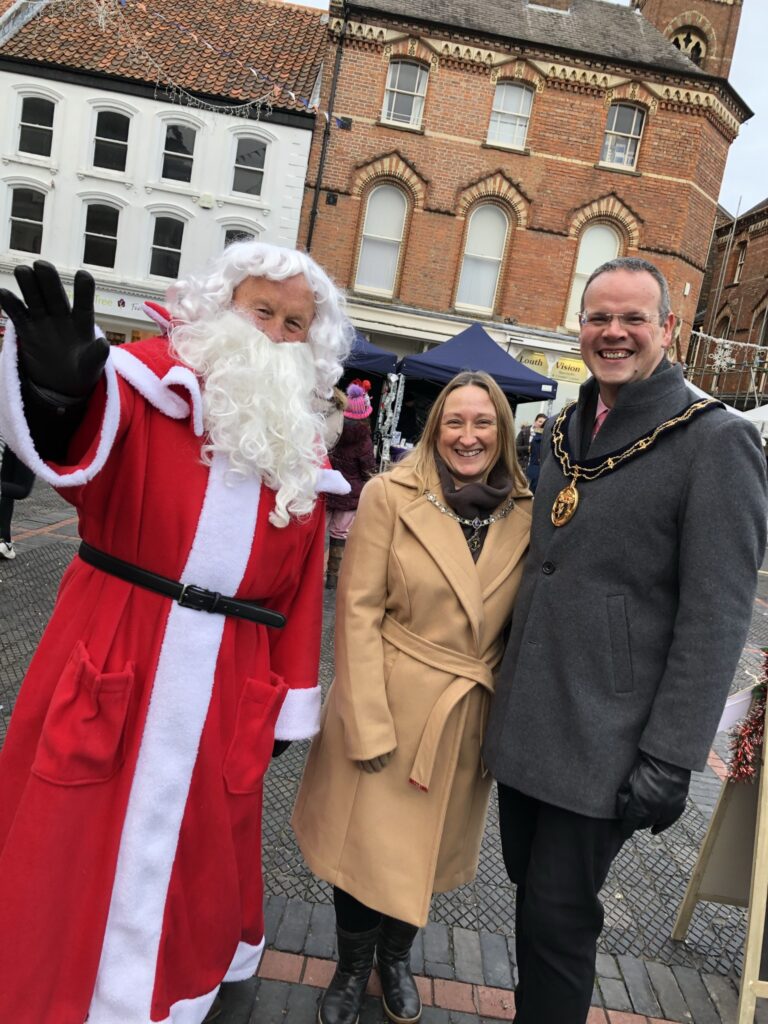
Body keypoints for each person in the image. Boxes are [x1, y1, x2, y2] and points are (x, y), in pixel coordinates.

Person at [0, 242, 353, 1024]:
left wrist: (290, 701)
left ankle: (171, 996)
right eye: (262, 311)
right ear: (221, 308)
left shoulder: (302, 451)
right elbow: (74, 461)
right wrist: (57, 397)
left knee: (200, 848)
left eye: (296, 323)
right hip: (114, 647)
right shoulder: (143, 385)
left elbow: (299, 599)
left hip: (232, 678)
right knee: (69, 837)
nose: (276, 335)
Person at [483, 256, 767, 1024]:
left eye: (633, 318)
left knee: (558, 920)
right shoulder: (570, 426)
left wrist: (672, 758)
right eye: (598, 317)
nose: (613, 333)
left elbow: (716, 617)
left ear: (668, 329)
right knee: (530, 899)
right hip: (528, 725)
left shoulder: (718, 443)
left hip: (608, 741)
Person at [292, 370, 533, 1024]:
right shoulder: (390, 496)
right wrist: (365, 720)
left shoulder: (527, 512)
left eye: (483, 423)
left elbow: (521, 630)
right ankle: (350, 967)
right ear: (435, 428)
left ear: (503, 432)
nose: (468, 435)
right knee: (362, 848)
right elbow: (358, 610)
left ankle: (395, 958)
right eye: (455, 421)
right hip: (389, 697)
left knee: (416, 858)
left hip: (462, 717)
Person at [325, 380, 377, 589]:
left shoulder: (332, 429)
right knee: (339, 534)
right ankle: (332, 577)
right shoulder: (364, 439)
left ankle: (307, 572)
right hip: (350, 495)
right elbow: (368, 468)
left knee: (319, 532)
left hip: (328, 490)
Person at [0, 441, 35, 559]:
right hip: (20, 435)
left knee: (6, 484)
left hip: (10, 435)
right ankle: (4, 542)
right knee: (21, 489)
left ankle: (4, 541)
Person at [524, 413, 548, 492]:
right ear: (535, 422)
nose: (541, 424)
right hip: (524, 465)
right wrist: (528, 448)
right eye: (540, 421)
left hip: (535, 467)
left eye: (543, 423)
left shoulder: (543, 436)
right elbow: (516, 446)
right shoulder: (526, 432)